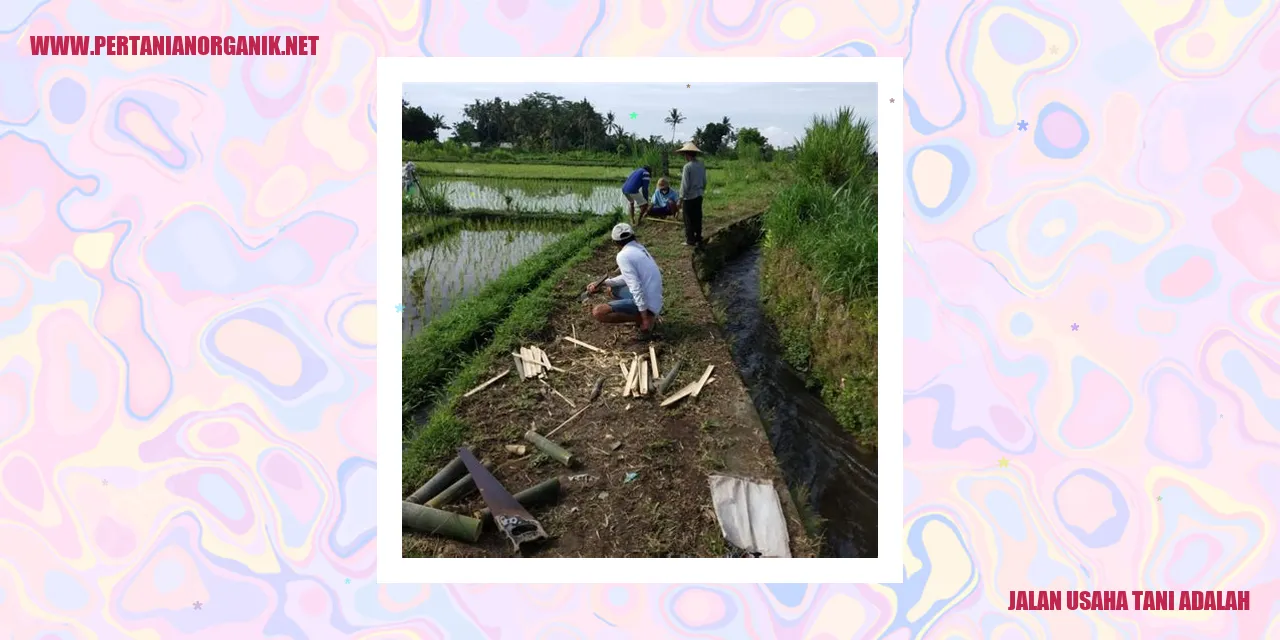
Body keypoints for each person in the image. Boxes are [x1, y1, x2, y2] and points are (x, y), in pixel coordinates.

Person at [587, 223, 663, 334]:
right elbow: (628, 277)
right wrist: (604, 283)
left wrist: (645, 318)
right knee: (612, 289)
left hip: (649, 303)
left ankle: (645, 318)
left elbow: (635, 287)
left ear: (615, 242)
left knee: (599, 312)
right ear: (633, 236)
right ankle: (643, 314)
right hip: (655, 299)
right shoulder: (639, 248)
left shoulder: (623, 256)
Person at [676, 142, 706, 246]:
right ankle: (698, 236)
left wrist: (680, 199)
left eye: (685, 154)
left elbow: (685, 185)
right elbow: (704, 181)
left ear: (687, 154)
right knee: (697, 216)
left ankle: (690, 240)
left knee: (688, 219)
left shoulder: (687, 167)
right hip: (699, 195)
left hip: (689, 197)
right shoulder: (701, 165)